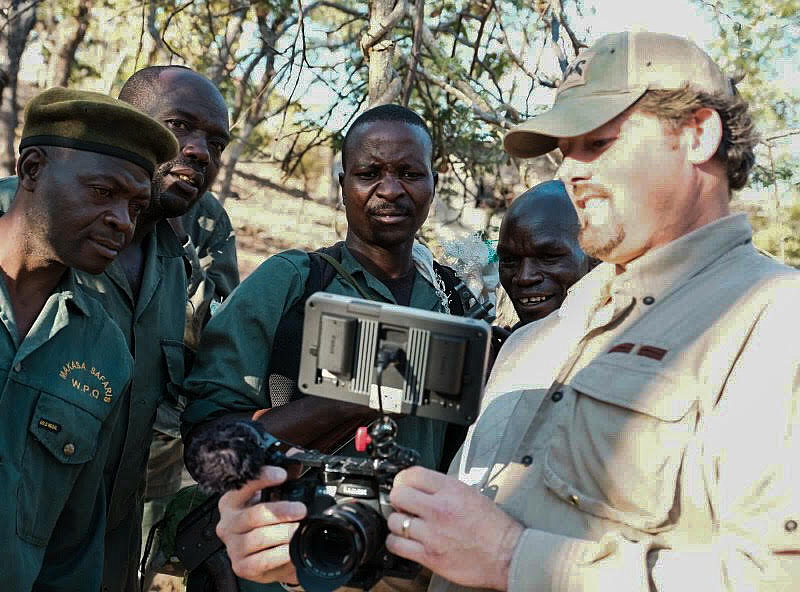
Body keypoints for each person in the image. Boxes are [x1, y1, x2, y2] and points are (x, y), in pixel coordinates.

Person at [212, 31, 800, 592]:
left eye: (598, 143)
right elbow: (453, 559)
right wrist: (313, 553)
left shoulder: (773, 324)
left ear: (698, 134)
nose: (570, 170)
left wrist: (511, 557)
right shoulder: (537, 341)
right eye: (565, 151)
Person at [0, 65, 233, 592]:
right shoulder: (20, 224)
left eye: (216, 142)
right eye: (179, 126)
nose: (199, 152)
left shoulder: (179, 261)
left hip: (105, 544)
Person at [182, 104, 476, 591]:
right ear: (342, 185)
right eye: (369, 173)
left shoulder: (452, 303)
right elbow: (209, 455)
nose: (390, 189)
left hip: (408, 568)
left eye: (409, 173)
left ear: (432, 185)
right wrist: (360, 394)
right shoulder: (292, 284)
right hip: (283, 568)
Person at [0, 87, 178, 590]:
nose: (122, 221)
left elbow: (71, 548)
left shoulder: (103, 353)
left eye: (135, 206)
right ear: (32, 169)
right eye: (103, 193)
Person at [496, 180, 593, 330]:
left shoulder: (625, 342)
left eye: (548, 257)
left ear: (596, 259)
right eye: (509, 260)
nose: (524, 277)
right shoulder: (511, 344)